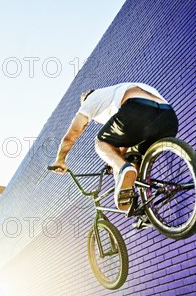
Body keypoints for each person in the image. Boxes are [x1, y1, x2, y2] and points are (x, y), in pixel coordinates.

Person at [50, 82, 178, 211]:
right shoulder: (116, 92)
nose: (95, 121)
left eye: (94, 118)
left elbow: (73, 134)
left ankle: (124, 170)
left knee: (101, 143)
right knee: (134, 159)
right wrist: (115, 159)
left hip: (138, 109)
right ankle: (148, 208)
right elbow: (125, 140)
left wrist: (60, 159)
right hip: (168, 118)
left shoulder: (92, 99)